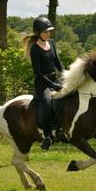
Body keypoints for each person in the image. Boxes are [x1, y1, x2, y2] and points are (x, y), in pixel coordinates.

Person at [22, 15, 64, 150]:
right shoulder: (34, 49)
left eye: (49, 31)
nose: (48, 34)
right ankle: (47, 136)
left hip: (55, 79)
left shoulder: (51, 43)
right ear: (38, 33)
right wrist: (53, 85)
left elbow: (57, 62)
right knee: (47, 102)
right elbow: (38, 74)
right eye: (45, 32)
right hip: (42, 83)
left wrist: (66, 75)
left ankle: (62, 128)